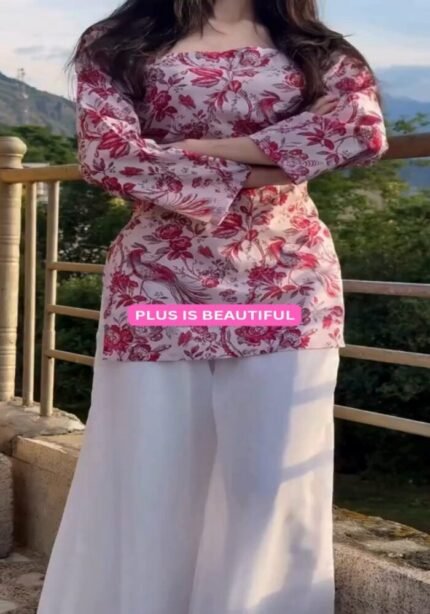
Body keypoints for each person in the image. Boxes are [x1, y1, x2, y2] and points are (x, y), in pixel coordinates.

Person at [36, 1, 388, 612]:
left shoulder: (316, 47)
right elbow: (109, 155)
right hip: (159, 284)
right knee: (151, 477)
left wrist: (207, 147)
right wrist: (263, 164)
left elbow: (358, 131)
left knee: (271, 485)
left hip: (285, 283)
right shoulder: (120, 40)